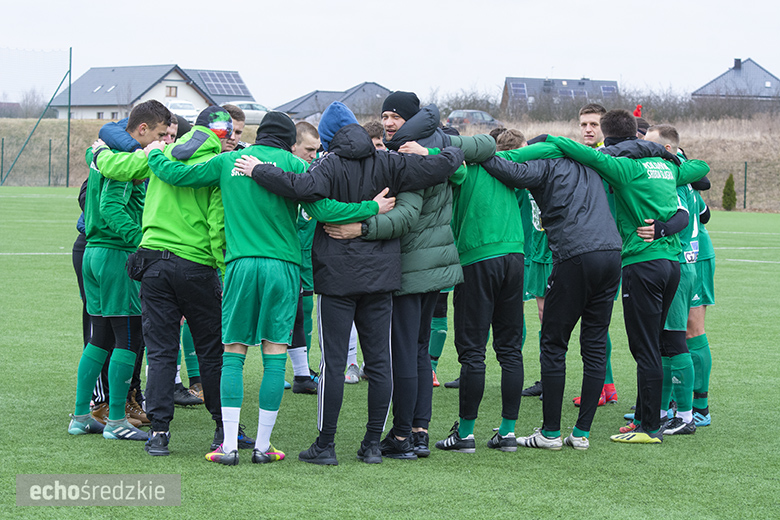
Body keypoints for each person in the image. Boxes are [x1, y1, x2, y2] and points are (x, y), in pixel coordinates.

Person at [145, 110, 389, 465]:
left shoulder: (229, 160)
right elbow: (324, 209)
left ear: (259, 137)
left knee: (233, 352)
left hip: (241, 265)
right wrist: (372, 207)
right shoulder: (298, 165)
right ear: (290, 141)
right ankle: (262, 445)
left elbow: (177, 174)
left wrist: (154, 152)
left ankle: (227, 445)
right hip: (283, 267)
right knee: (275, 354)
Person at [236, 101, 465, 465]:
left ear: (329, 140)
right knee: (380, 364)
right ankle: (372, 445)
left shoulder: (329, 164)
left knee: (333, 363)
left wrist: (258, 169)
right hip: (381, 278)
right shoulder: (389, 161)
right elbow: (442, 165)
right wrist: (445, 150)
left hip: (337, 279)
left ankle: (325, 445)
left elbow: (298, 187)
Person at [323, 92, 494, 459]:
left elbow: (404, 217)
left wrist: (360, 228)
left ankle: (402, 435)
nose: (387, 123)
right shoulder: (436, 142)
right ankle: (418, 430)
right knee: (417, 353)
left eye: (394, 117)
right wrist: (440, 153)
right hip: (434, 265)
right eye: (383, 116)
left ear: (411, 120)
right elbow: (485, 144)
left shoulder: (407, 155)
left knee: (402, 354)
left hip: (413, 266)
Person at [544, 109, 709, 443]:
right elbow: (700, 169)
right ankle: (651, 417)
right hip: (671, 264)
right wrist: (664, 154)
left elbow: (575, 150)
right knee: (658, 343)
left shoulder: (625, 167)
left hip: (642, 263)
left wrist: (548, 141)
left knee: (646, 346)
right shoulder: (665, 166)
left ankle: (650, 426)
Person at [92, 106, 242, 456]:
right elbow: (217, 227)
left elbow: (118, 167)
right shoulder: (218, 165)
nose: (233, 138)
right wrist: (224, 272)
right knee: (211, 353)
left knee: (160, 353)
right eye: (230, 132)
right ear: (219, 135)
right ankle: (223, 428)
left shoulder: (161, 150)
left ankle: (160, 433)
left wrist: (95, 151)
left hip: (154, 265)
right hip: (196, 266)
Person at [480, 132, 622, 450]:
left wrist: (481, 152)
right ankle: (582, 434)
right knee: (595, 344)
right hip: (612, 254)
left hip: (576, 256)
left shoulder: (545, 164)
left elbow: (510, 172)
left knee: (554, 343)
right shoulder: (591, 165)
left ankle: (550, 433)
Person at [67, 100, 170, 442]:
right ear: (142, 130)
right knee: (128, 338)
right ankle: (115, 421)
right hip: (114, 254)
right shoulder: (127, 162)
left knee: (101, 337)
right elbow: (112, 206)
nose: (163, 141)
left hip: (93, 251)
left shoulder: (106, 153)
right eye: (159, 134)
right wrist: (142, 241)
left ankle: (81, 415)